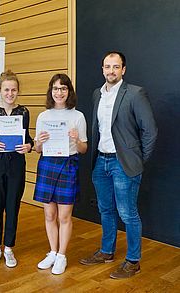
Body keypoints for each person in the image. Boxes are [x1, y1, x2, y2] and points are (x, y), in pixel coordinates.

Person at [79, 51, 158, 279]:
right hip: (100, 161)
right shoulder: (97, 94)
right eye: (107, 66)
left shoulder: (134, 94)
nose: (111, 71)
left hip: (123, 164)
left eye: (116, 67)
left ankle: (133, 261)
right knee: (106, 210)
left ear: (123, 70)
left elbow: (150, 131)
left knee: (128, 213)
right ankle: (107, 252)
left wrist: (138, 161)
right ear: (102, 69)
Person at [34, 74, 88, 275]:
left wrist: (77, 139)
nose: (59, 92)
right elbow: (38, 149)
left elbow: (83, 149)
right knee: (49, 214)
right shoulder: (43, 116)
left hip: (68, 164)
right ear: (51, 91)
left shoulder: (77, 116)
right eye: (56, 88)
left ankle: (62, 256)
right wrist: (39, 141)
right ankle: (52, 252)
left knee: (64, 216)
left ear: (69, 92)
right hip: (48, 164)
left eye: (63, 89)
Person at [0, 70, 33, 268]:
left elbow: (27, 138)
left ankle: (9, 248)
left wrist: (29, 146)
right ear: (0, 91)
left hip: (17, 164)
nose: (10, 93)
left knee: (13, 206)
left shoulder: (24, 112)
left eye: (13, 90)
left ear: (18, 91)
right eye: (6, 90)